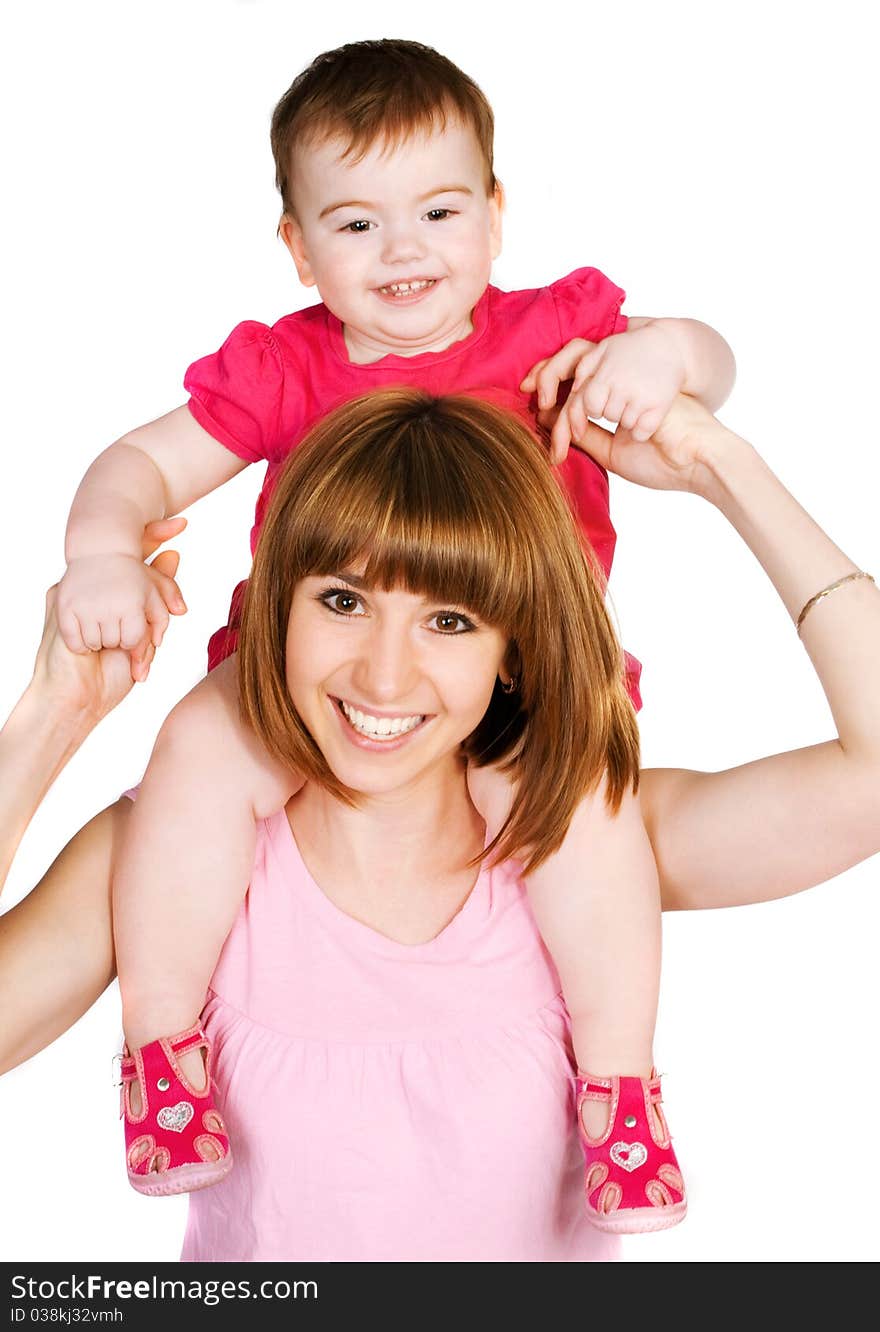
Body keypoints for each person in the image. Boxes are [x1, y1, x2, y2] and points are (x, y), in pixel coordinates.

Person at [51, 38, 736, 1218]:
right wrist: (102, 550)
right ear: (298, 246)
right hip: (317, 682)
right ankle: (164, 1056)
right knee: (194, 759)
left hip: (526, 673)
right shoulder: (287, 368)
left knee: (588, 813)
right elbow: (136, 462)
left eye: (437, 209)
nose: (403, 249)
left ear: (494, 215)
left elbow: (711, 363)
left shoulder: (549, 335)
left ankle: (619, 1091)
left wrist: (663, 356)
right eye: (355, 223)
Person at [1, 393, 877, 1262]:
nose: (384, 676)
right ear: (278, 608)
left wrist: (723, 468)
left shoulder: (593, 842)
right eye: (343, 602)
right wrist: (51, 717)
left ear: (512, 650)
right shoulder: (168, 855)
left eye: (449, 621)